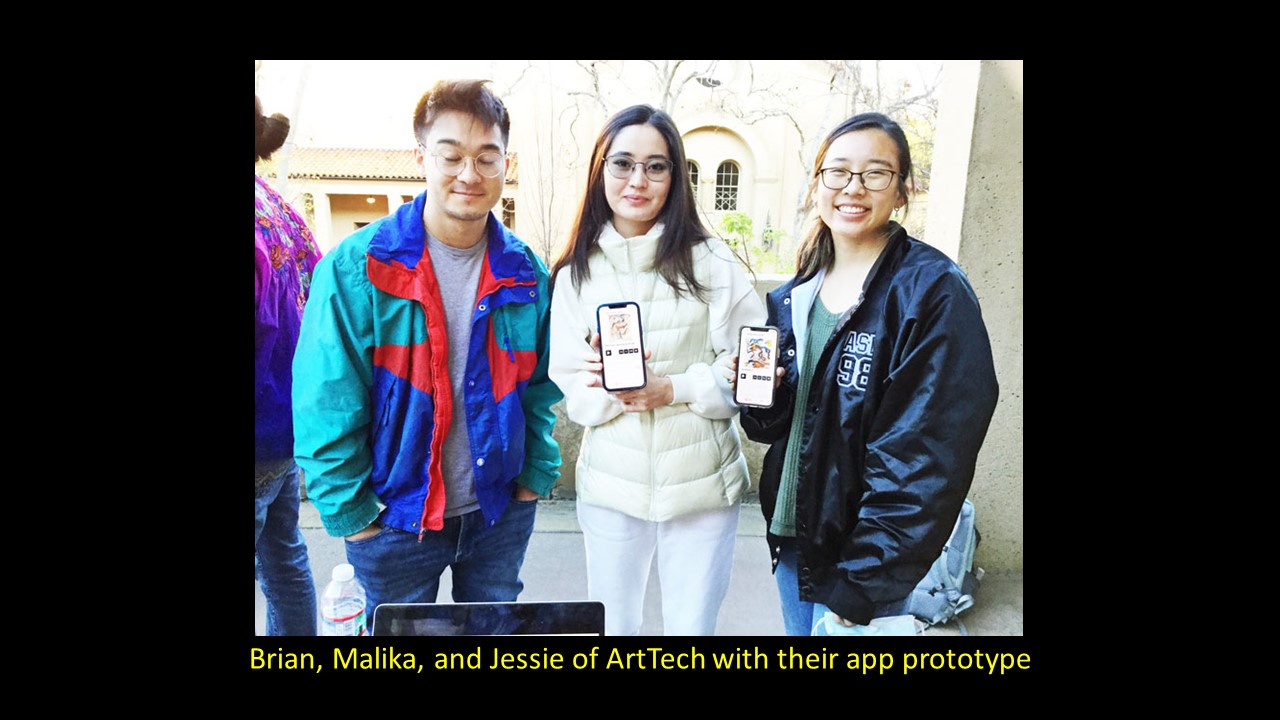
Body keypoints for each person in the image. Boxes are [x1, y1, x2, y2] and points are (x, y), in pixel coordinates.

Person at [292, 80, 562, 626]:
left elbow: (539, 388)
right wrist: (355, 517)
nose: (470, 174)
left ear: (505, 164)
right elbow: (325, 404)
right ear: (422, 157)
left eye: (487, 157)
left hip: (498, 513)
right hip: (394, 521)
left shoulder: (526, 272)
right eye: (452, 155)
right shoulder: (357, 269)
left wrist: (534, 478)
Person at [739, 112, 999, 636]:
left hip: (862, 558)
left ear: (902, 189)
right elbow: (768, 429)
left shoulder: (931, 292)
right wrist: (759, 389)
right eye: (837, 172)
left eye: (875, 173)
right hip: (794, 536)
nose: (852, 188)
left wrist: (862, 583)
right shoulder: (796, 293)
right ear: (817, 185)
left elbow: (925, 459)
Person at [548, 105, 766, 636]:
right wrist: (607, 385)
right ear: (601, 171)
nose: (638, 181)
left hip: (701, 488)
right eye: (622, 164)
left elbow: (746, 372)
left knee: (691, 631)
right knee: (614, 628)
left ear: (676, 176)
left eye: (657, 166)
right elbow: (571, 387)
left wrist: (671, 388)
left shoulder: (713, 262)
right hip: (611, 488)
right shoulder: (576, 272)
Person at [255, 95, 320, 636]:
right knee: (285, 564)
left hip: (259, 430)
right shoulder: (282, 213)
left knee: (284, 565)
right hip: (287, 430)